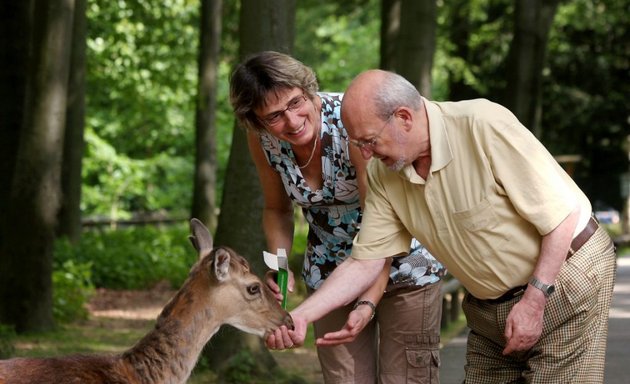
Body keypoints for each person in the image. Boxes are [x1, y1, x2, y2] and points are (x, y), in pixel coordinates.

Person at [269, 69, 618, 384]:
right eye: (357, 143)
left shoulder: (482, 124)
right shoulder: (383, 173)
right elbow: (366, 260)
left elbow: (561, 215)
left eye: (369, 141)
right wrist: (300, 315)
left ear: (404, 117)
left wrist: (534, 300)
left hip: (565, 277)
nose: (365, 154)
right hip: (490, 305)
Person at [229, 52, 446, 384]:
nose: (291, 121)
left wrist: (367, 302)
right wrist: (280, 265)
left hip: (402, 263)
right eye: (273, 116)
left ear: (309, 90)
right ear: (256, 121)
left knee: (404, 378)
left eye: (295, 103)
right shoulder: (263, 140)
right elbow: (277, 209)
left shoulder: (353, 124)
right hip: (330, 273)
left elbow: (382, 224)